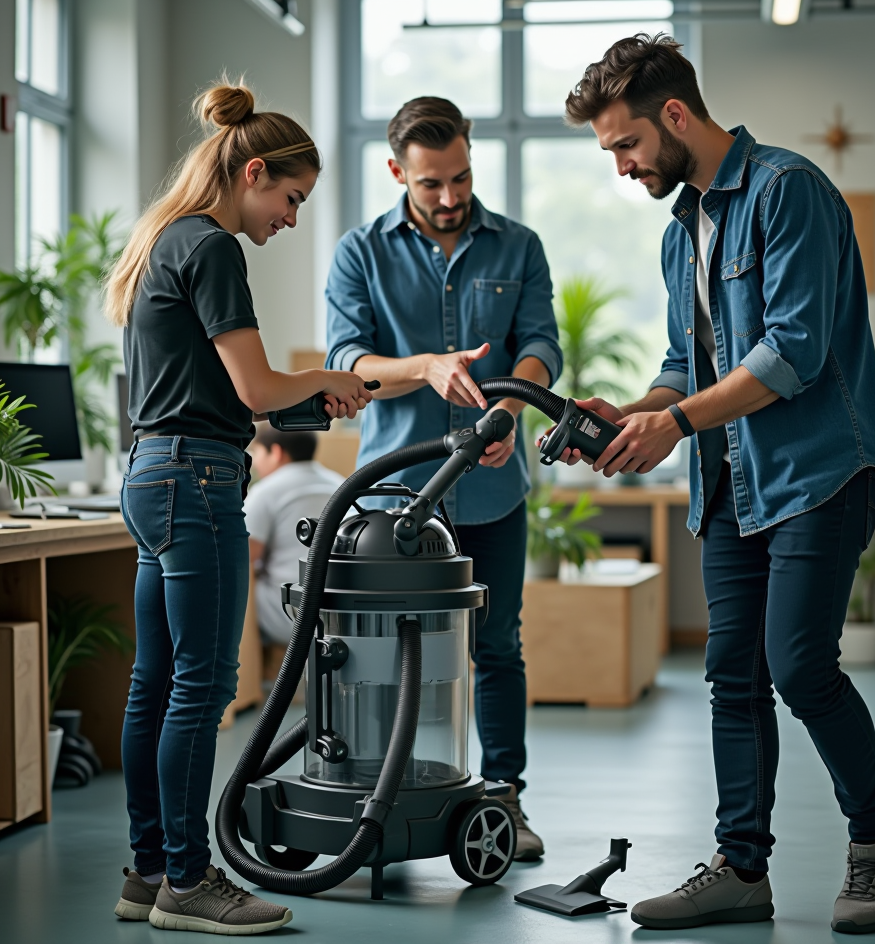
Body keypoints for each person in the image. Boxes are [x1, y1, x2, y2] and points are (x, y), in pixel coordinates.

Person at [558, 34, 875, 934]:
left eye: (625, 146)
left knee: (798, 665)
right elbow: (688, 361)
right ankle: (742, 869)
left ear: (674, 116)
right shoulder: (687, 230)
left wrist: (671, 424)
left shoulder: (790, 192)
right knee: (732, 678)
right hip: (733, 481)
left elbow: (791, 352)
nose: (622, 168)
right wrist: (630, 410)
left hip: (820, 471)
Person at [104, 83, 372, 935]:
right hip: (198, 482)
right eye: (290, 198)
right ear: (252, 172)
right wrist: (323, 378)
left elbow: (228, 400)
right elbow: (256, 385)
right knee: (201, 687)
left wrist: (313, 400)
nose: (291, 218)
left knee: (154, 686)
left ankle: (148, 871)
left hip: (153, 472)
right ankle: (190, 880)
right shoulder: (215, 247)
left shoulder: (165, 240)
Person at [326, 96, 562, 861]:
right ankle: (376, 801)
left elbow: (541, 345)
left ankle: (505, 798)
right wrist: (423, 368)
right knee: (384, 655)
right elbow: (347, 364)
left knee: (497, 647)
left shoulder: (519, 246)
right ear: (398, 171)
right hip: (396, 503)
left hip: (494, 493)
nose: (452, 197)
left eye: (461, 177)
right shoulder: (359, 253)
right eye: (432, 184)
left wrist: (513, 407)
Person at [245, 426, 344, 647]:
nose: (256, 462)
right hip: (339, 615)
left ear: (276, 452)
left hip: (290, 615)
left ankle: (251, 677)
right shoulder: (340, 484)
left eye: (257, 452)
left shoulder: (266, 490)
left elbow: (246, 554)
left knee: (236, 585)